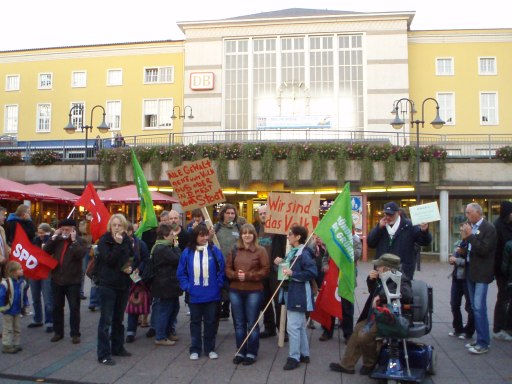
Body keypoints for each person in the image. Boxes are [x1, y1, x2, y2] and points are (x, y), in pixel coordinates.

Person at [329, 253, 412, 376]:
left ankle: (370, 363)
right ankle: (347, 365)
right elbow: (372, 291)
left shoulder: (400, 278)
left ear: (387, 267)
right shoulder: (382, 277)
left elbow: (407, 294)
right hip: (376, 315)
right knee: (357, 330)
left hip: (389, 318)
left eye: (379, 266)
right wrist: (371, 281)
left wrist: (382, 295)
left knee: (364, 336)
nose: (376, 268)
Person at [177, 223, 225, 360]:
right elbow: (181, 273)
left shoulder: (214, 250)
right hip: (195, 295)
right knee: (195, 322)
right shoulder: (187, 252)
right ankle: (195, 349)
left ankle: (210, 348)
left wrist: (218, 285)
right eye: (201, 235)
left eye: (206, 235)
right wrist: (188, 287)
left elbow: (222, 269)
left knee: (210, 322)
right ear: (195, 237)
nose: (204, 238)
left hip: (212, 294)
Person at [274, 225, 317, 371]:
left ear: (298, 237)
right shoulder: (293, 252)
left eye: (291, 234)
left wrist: (294, 274)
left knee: (292, 327)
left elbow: (312, 272)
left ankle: (294, 357)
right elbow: (284, 272)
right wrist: (279, 265)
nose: (288, 236)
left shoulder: (303, 254)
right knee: (299, 326)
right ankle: (304, 354)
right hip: (290, 292)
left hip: (298, 294)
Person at [226, 223, 269, 366]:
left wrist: (249, 276)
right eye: (244, 233)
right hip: (236, 290)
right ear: (241, 235)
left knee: (252, 323)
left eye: (249, 233)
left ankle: (251, 352)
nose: (246, 235)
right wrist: (235, 275)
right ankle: (240, 350)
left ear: (254, 235)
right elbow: (227, 269)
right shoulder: (234, 249)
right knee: (238, 323)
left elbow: (265, 270)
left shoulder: (260, 250)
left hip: (253, 291)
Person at [96, 214, 134, 365]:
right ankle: (103, 353)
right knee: (106, 320)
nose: (117, 228)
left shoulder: (127, 241)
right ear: (110, 227)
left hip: (123, 284)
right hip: (108, 284)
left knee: (119, 318)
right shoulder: (104, 241)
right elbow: (109, 260)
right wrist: (117, 245)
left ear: (124, 228)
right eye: (114, 225)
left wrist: (130, 268)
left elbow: (131, 257)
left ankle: (117, 347)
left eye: (120, 225)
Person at [43, 218, 87, 344]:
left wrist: (73, 241)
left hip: (73, 280)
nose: (64, 231)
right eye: (62, 229)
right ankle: (58, 332)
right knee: (57, 307)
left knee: (74, 308)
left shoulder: (80, 241)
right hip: (57, 279)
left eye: (67, 229)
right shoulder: (57, 240)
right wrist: (53, 237)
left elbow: (80, 255)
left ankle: (75, 334)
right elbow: (46, 250)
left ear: (73, 229)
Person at [461, 202, 497, 354]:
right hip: (471, 271)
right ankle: (480, 338)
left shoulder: (489, 228)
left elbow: (483, 250)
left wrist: (469, 236)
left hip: (482, 273)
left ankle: (484, 342)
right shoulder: (472, 226)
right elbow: (469, 247)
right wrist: (462, 246)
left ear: (477, 213)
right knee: (474, 307)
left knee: (479, 307)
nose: (467, 215)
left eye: (469, 213)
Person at [367, 201, 432, 280]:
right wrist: (378, 228)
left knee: (401, 291)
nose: (388, 217)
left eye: (391, 214)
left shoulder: (409, 225)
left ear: (398, 213)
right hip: (382, 270)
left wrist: (424, 231)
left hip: (402, 271)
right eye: (386, 214)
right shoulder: (381, 226)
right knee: (381, 291)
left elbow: (424, 242)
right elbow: (370, 243)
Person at [319, 231, 362, 343]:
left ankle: (348, 334)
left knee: (347, 306)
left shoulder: (355, 239)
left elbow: (357, 254)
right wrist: (325, 265)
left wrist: (345, 247)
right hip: (332, 278)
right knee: (330, 304)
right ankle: (327, 330)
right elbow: (325, 257)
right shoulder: (333, 239)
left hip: (346, 278)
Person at [254, 204, 287, 339]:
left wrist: (283, 258)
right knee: (264, 301)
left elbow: (287, 247)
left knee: (279, 301)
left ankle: (282, 330)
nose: (263, 215)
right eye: (261, 213)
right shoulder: (255, 229)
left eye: (265, 213)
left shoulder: (280, 231)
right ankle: (269, 328)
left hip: (276, 270)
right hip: (261, 271)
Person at [150, 224, 182, 346]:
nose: (173, 236)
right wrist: (177, 247)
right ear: (165, 235)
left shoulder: (163, 247)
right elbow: (177, 259)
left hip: (169, 283)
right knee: (165, 309)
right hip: (165, 284)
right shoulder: (162, 248)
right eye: (171, 234)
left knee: (173, 308)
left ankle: (168, 332)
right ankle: (160, 336)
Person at [125, 222, 150, 343]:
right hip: (120, 279)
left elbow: (146, 259)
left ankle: (131, 331)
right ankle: (116, 330)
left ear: (130, 232)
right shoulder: (116, 244)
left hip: (135, 278)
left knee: (133, 305)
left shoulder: (140, 244)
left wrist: (139, 268)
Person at [214, 204, 241, 319]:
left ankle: (232, 313)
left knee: (234, 292)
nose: (230, 215)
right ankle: (219, 312)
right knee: (219, 291)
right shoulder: (216, 228)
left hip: (235, 266)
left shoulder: (239, 228)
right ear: (223, 214)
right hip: (219, 266)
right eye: (228, 213)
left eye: (232, 213)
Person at [448, 226, 474, 339]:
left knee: (469, 306)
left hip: (467, 278)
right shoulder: (459, 242)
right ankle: (457, 328)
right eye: (461, 229)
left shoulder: (472, 243)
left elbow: (472, 261)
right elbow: (455, 256)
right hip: (456, 277)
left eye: (463, 229)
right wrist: (452, 259)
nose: (461, 231)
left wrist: (456, 260)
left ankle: (469, 331)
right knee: (454, 303)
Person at [28, 223, 54, 333]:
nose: (40, 235)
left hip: (46, 272)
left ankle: (50, 321)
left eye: (42, 232)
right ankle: (37, 319)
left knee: (48, 298)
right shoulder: (35, 240)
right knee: (35, 296)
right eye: (39, 232)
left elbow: (53, 257)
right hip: (35, 271)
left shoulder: (51, 241)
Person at [492, 201, 512, 341]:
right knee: (503, 299)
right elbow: (497, 250)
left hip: (509, 269)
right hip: (502, 270)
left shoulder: (509, 225)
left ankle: (508, 326)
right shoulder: (498, 226)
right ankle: (498, 328)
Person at [0, 261, 29, 354]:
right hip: (8, 309)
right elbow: (1, 296)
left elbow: (24, 295)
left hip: (17, 309)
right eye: (20, 269)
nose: (22, 270)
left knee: (17, 328)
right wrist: (2, 307)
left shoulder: (22, 282)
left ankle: (16, 343)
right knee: (7, 328)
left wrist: (25, 303)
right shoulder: (6, 283)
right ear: (13, 272)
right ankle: (6, 345)